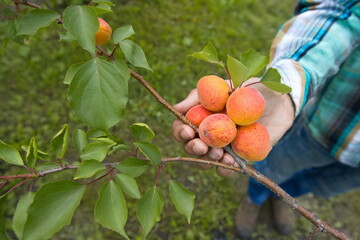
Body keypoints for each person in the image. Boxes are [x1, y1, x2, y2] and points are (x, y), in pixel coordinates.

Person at [172, 0, 360, 238]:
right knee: (276, 166)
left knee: (323, 185)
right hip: (328, 126)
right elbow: (343, 13)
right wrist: (285, 89)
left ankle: (281, 195)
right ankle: (255, 198)